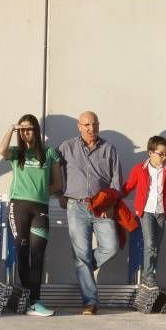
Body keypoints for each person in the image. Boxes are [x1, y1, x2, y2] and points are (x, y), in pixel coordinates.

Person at [57, 111, 123, 315]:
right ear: (79, 126)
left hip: (101, 207)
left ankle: (82, 267)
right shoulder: (66, 147)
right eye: (86, 125)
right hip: (76, 206)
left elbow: (116, 180)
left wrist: (111, 203)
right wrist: (60, 192)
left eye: (94, 124)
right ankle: (90, 302)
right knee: (81, 254)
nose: (91, 128)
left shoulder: (109, 148)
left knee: (111, 247)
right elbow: (52, 171)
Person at [0, 115, 62, 317]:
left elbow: (58, 185)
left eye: (30, 128)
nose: (26, 132)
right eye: (22, 130)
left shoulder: (50, 153)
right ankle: (28, 299)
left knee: (38, 254)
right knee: (23, 252)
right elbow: (1, 151)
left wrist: (41, 192)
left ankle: (35, 301)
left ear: (36, 130)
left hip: (40, 208)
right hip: (18, 207)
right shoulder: (17, 153)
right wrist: (12, 128)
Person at [123, 136, 166, 290]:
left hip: (161, 213)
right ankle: (148, 276)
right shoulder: (140, 169)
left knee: (155, 246)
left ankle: (150, 275)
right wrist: (113, 200)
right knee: (150, 244)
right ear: (150, 153)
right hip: (145, 212)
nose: (165, 157)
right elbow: (128, 187)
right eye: (161, 154)